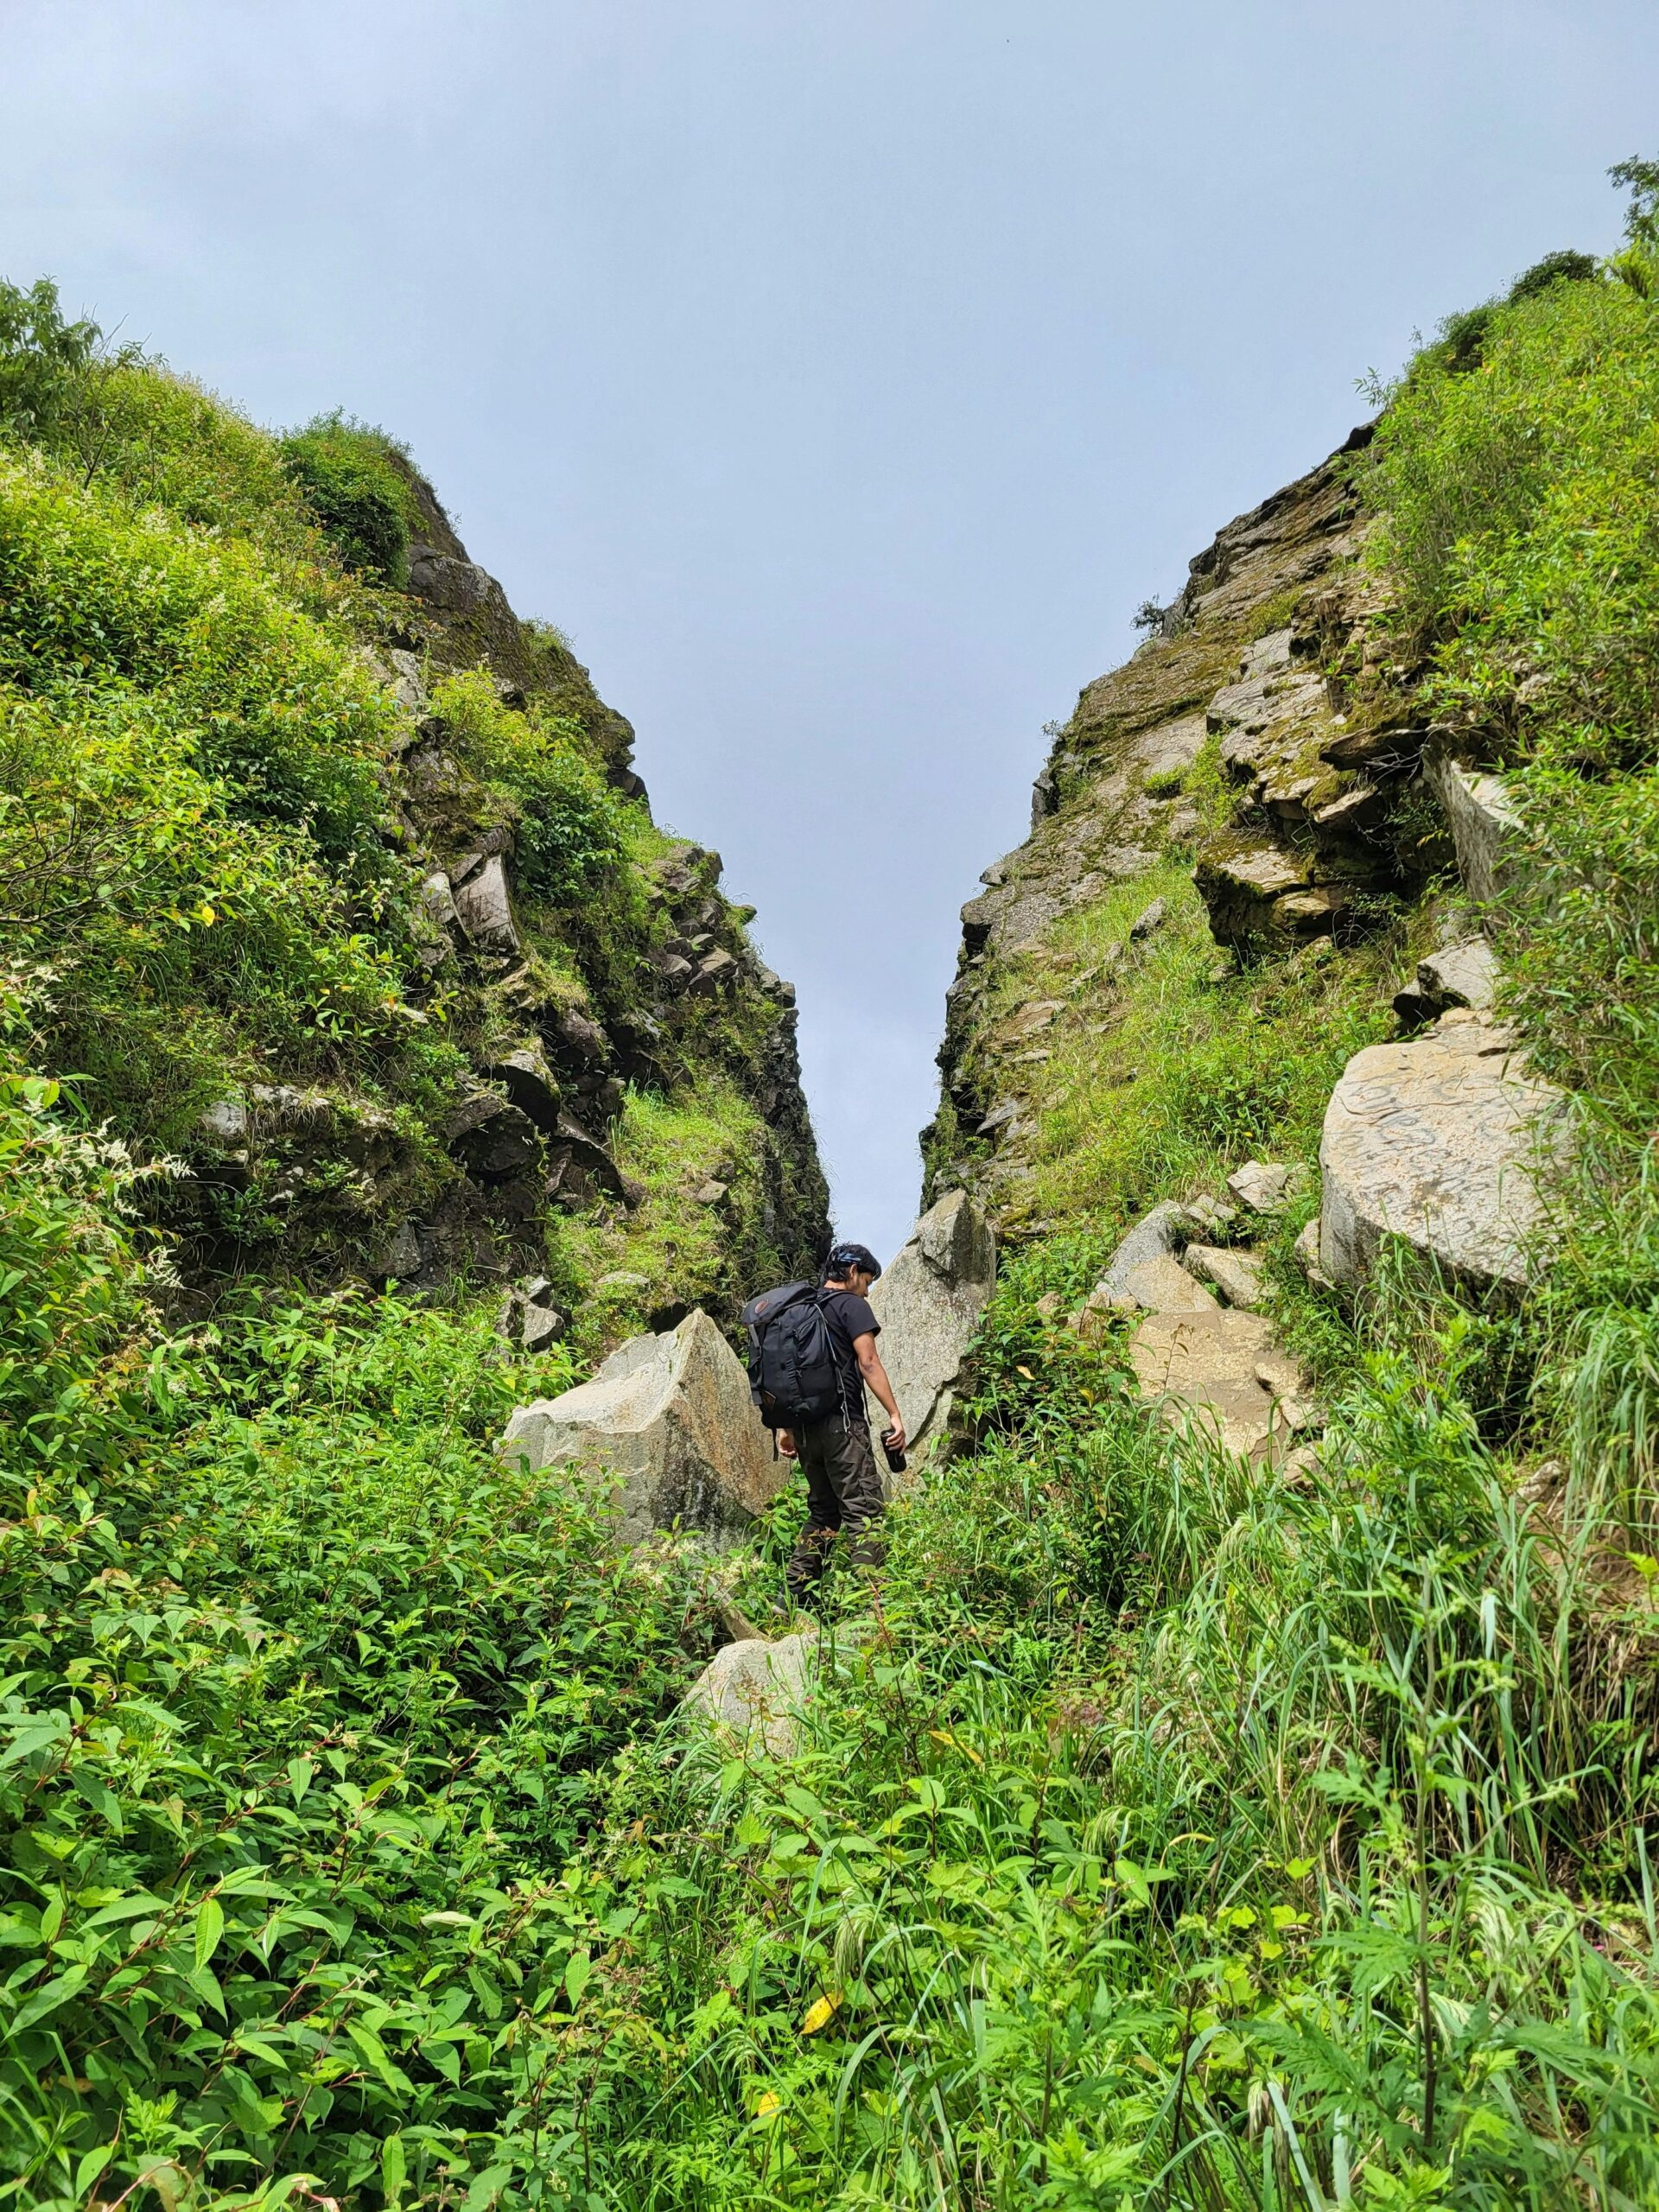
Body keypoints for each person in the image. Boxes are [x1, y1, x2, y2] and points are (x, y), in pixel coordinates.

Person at [779, 1241, 906, 1607]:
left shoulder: (798, 1311)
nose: (867, 1291)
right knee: (864, 1509)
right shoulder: (851, 1305)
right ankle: (872, 1607)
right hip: (843, 1425)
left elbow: (783, 1374)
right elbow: (868, 1362)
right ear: (852, 1272)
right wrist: (894, 1415)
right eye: (867, 1281)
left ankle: (790, 1601)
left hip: (804, 1430)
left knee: (824, 1510)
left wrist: (785, 1429)